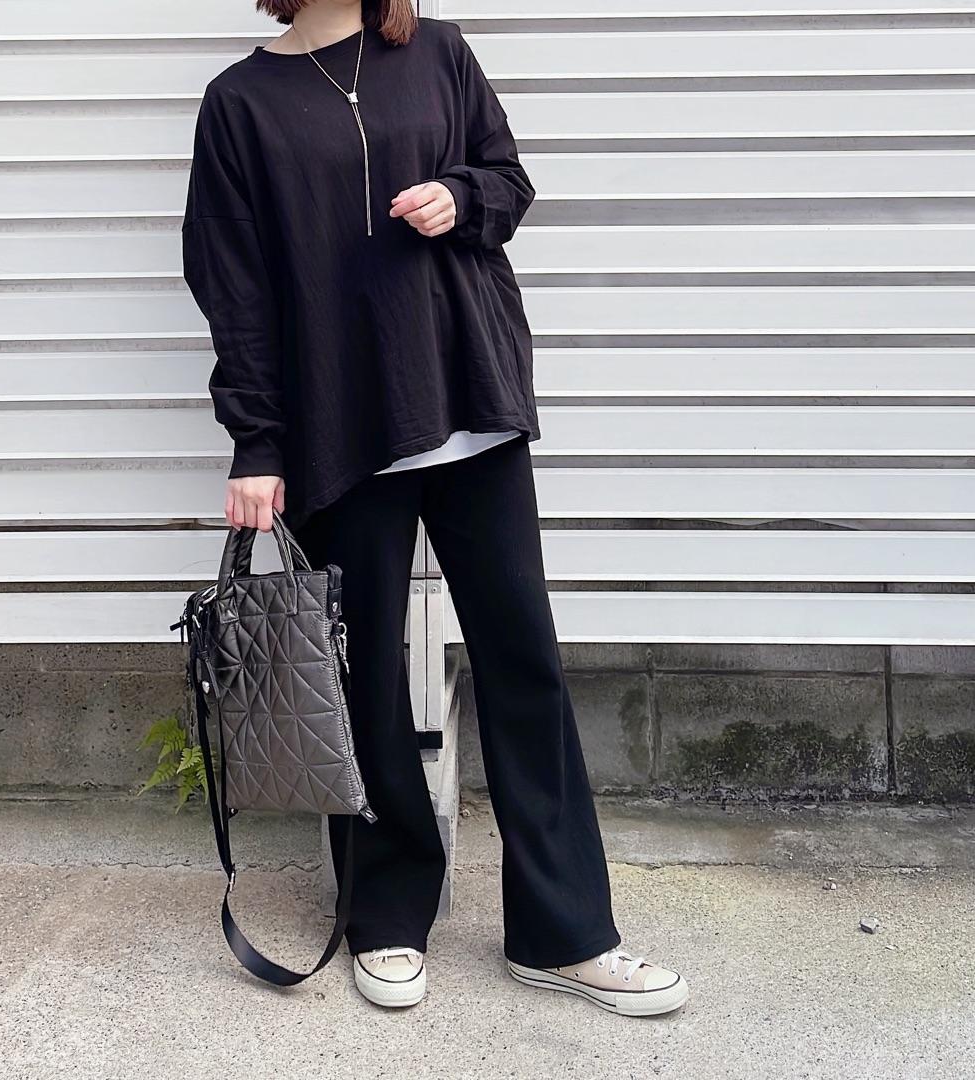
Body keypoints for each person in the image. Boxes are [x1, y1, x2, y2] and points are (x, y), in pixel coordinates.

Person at [181, 0, 688, 1016]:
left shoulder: (439, 52)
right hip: (342, 425)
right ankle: (386, 915)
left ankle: (565, 933)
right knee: (363, 681)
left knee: (523, 661)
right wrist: (257, 442)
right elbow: (232, 284)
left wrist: (461, 196)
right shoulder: (240, 102)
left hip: (469, 401)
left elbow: (510, 182)